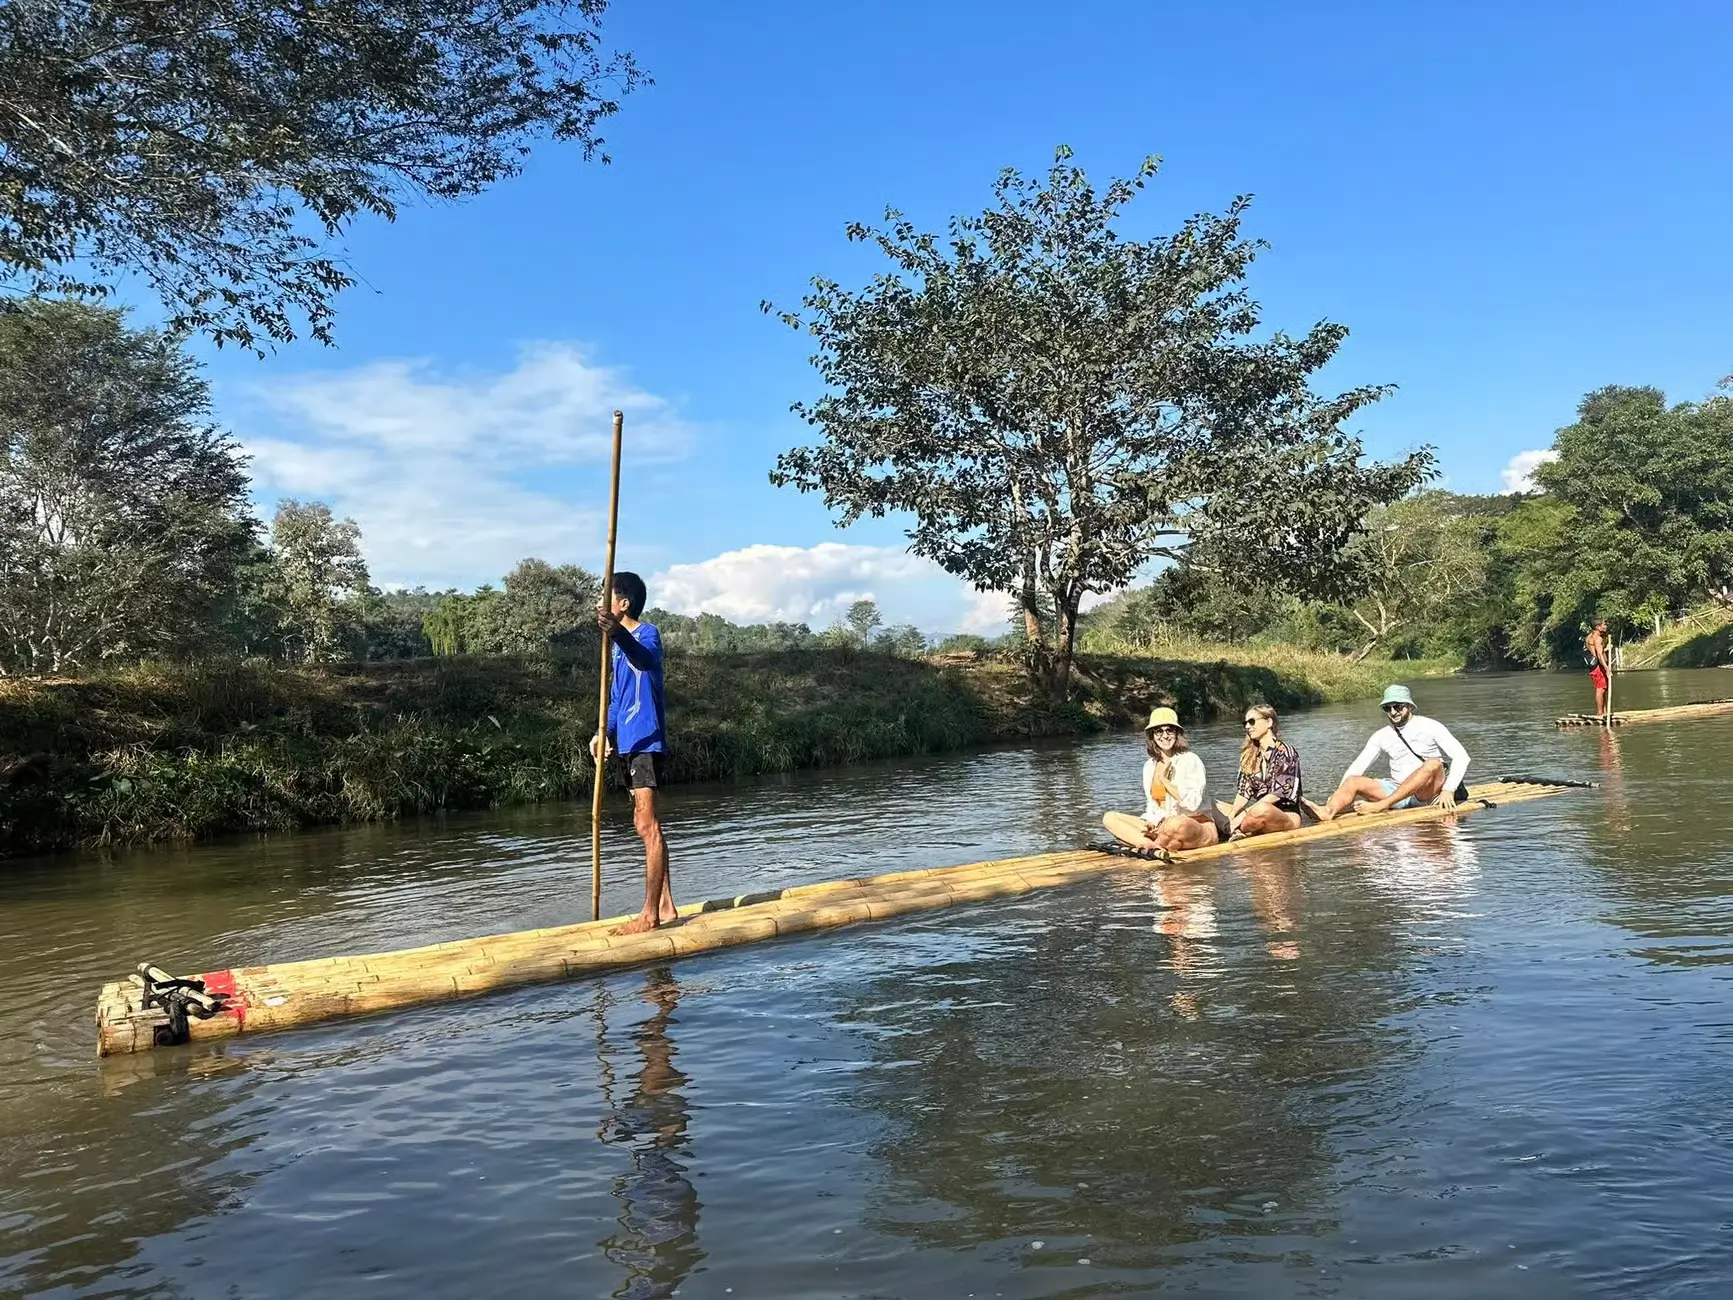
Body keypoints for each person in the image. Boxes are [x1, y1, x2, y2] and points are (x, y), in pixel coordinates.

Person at [593, 571, 675, 935]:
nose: (601, 604)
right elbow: (616, 699)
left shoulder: (647, 635)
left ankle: (649, 916)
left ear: (623, 604)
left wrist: (618, 632)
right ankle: (667, 906)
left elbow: (643, 660)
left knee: (646, 824)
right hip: (627, 741)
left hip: (645, 739)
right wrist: (603, 733)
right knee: (645, 824)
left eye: (607, 597)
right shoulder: (614, 648)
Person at [1306, 684, 1471, 821]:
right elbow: (1359, 765)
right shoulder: (1381, 735)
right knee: (1353, 780)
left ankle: (1381, 805)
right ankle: (1327, 812)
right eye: (1387, 708)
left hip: (1426, 792)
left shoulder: (1430, 726)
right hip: (1396, 790)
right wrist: (1338, 793)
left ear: (1410, 706)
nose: (1393, 712)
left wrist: (1448, 790)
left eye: (1398, 706)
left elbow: (1461, 757)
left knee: (1433, 763)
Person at [1102, 707, 1229, 853]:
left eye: (1170, 730)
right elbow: (1152, 806)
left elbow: (1193, 804)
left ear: (1177, 733)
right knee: (1109, 818)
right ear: (1152, 736)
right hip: (1162, 826)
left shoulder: (1190, 760)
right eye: (1159, 731)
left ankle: (1144, 843)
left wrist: (1166, 782)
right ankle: (1150, 845)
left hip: (1194, 824)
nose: (1165, 736)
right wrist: (1150, 823)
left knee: (1175, 824)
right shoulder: (1149, 766)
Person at [1222, 705, 1304, 838]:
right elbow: (1243, 793)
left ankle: (1238, 829)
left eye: (1252, 721)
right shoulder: (1249, 756)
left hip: (1285, 813)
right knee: (1213, 805)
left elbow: (1278, 793)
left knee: (1261, 810)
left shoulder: (1286, 752)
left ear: (1269, 722)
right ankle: (1233, 828)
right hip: (1255, 812)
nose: (1247, 726)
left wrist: (1243, 815)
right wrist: (1230, 816)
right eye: (1245, 723)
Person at [1585, 618, 1612, 717]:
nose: (1605, 626)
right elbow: (1599, 655)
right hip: (1598, 667)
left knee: (1601, 688)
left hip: (1594, 667)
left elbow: (1596, 651)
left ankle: (1604, 712)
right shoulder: (1598, 639)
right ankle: (1600, 713)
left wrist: (1606, 649)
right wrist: (1606, 668)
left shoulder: (1589, 637)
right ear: (1597, 627)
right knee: (1600, 689)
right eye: (1603, 625)